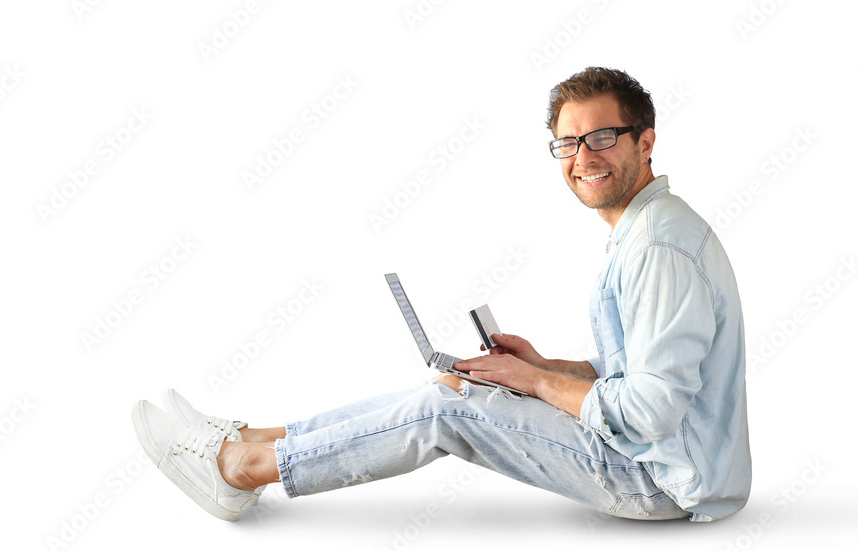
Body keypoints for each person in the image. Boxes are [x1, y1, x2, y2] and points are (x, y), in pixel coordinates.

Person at [131, 67, 751, 523]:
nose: (581, 156)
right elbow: (635, 375)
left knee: (445, 413)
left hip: (660, 478)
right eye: (568, 142)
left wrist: (534, 384)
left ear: (645, 142)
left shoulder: (658, 248)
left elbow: (651, 412)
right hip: (661, 457)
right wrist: (542, 366)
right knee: (453, 386)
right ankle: (258, 436)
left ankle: (238, 471)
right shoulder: (647, 230)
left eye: (602, 137)